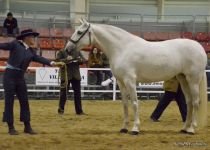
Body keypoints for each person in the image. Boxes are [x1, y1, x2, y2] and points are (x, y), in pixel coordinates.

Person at [0, 29, 63, 135]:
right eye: (32, 37)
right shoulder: (15, 44)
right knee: (9, 102)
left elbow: (39, 58)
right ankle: (11, 127)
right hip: (9, 76)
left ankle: (27, 127)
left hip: (20, 77)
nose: (34, 39)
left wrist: (52, 63)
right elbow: (3, 45)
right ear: (26, 38)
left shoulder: (30, 51)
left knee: (24, 101)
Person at [56, 48, 86, 115]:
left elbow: (83, 60)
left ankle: (79, 111)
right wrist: (66, 60)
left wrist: (80, 60)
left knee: (78, 94)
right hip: (65, 75)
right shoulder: (61, 51)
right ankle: (61, 110)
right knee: (63, 94)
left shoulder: (77, 51)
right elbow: (58, 62)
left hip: (76, 75)